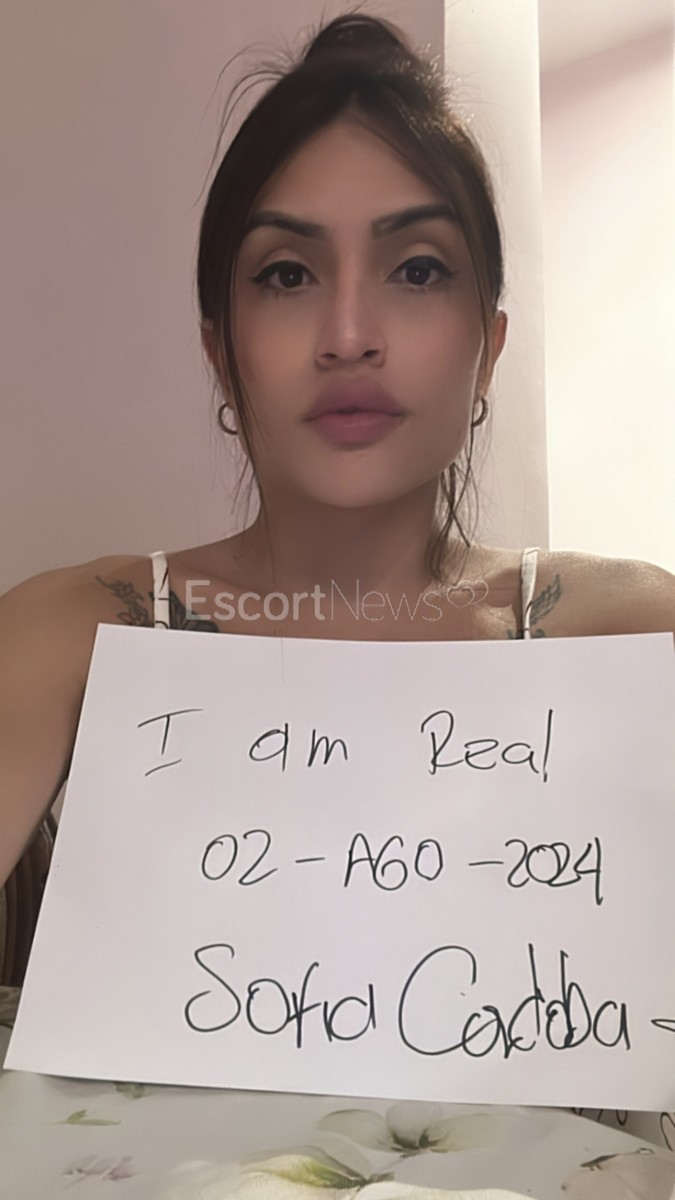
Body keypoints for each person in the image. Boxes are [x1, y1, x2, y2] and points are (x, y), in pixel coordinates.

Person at [1, 9, 673, 983]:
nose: (349, 334)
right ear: (219, 353)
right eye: (287, 274)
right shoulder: (72, 636)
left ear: (487, 351)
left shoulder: (630, 635)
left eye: (416, 269)